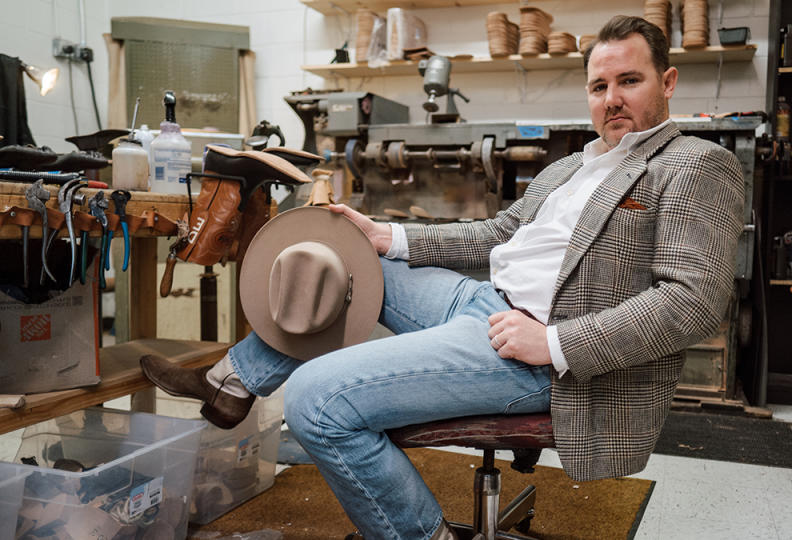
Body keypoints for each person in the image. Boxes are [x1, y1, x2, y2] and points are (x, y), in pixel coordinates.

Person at [140, 15, 744, 540]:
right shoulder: (572, 166)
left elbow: (693, 302)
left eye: (629, 81)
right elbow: (495, 236)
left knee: (314, 401)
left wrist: (555, 344)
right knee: (348, 258)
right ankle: (232, 382)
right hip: (484, 301)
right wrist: (384, 236)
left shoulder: (695, 165)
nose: (612, 99)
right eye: (599, 86)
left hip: (542, 352)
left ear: (667, 83)